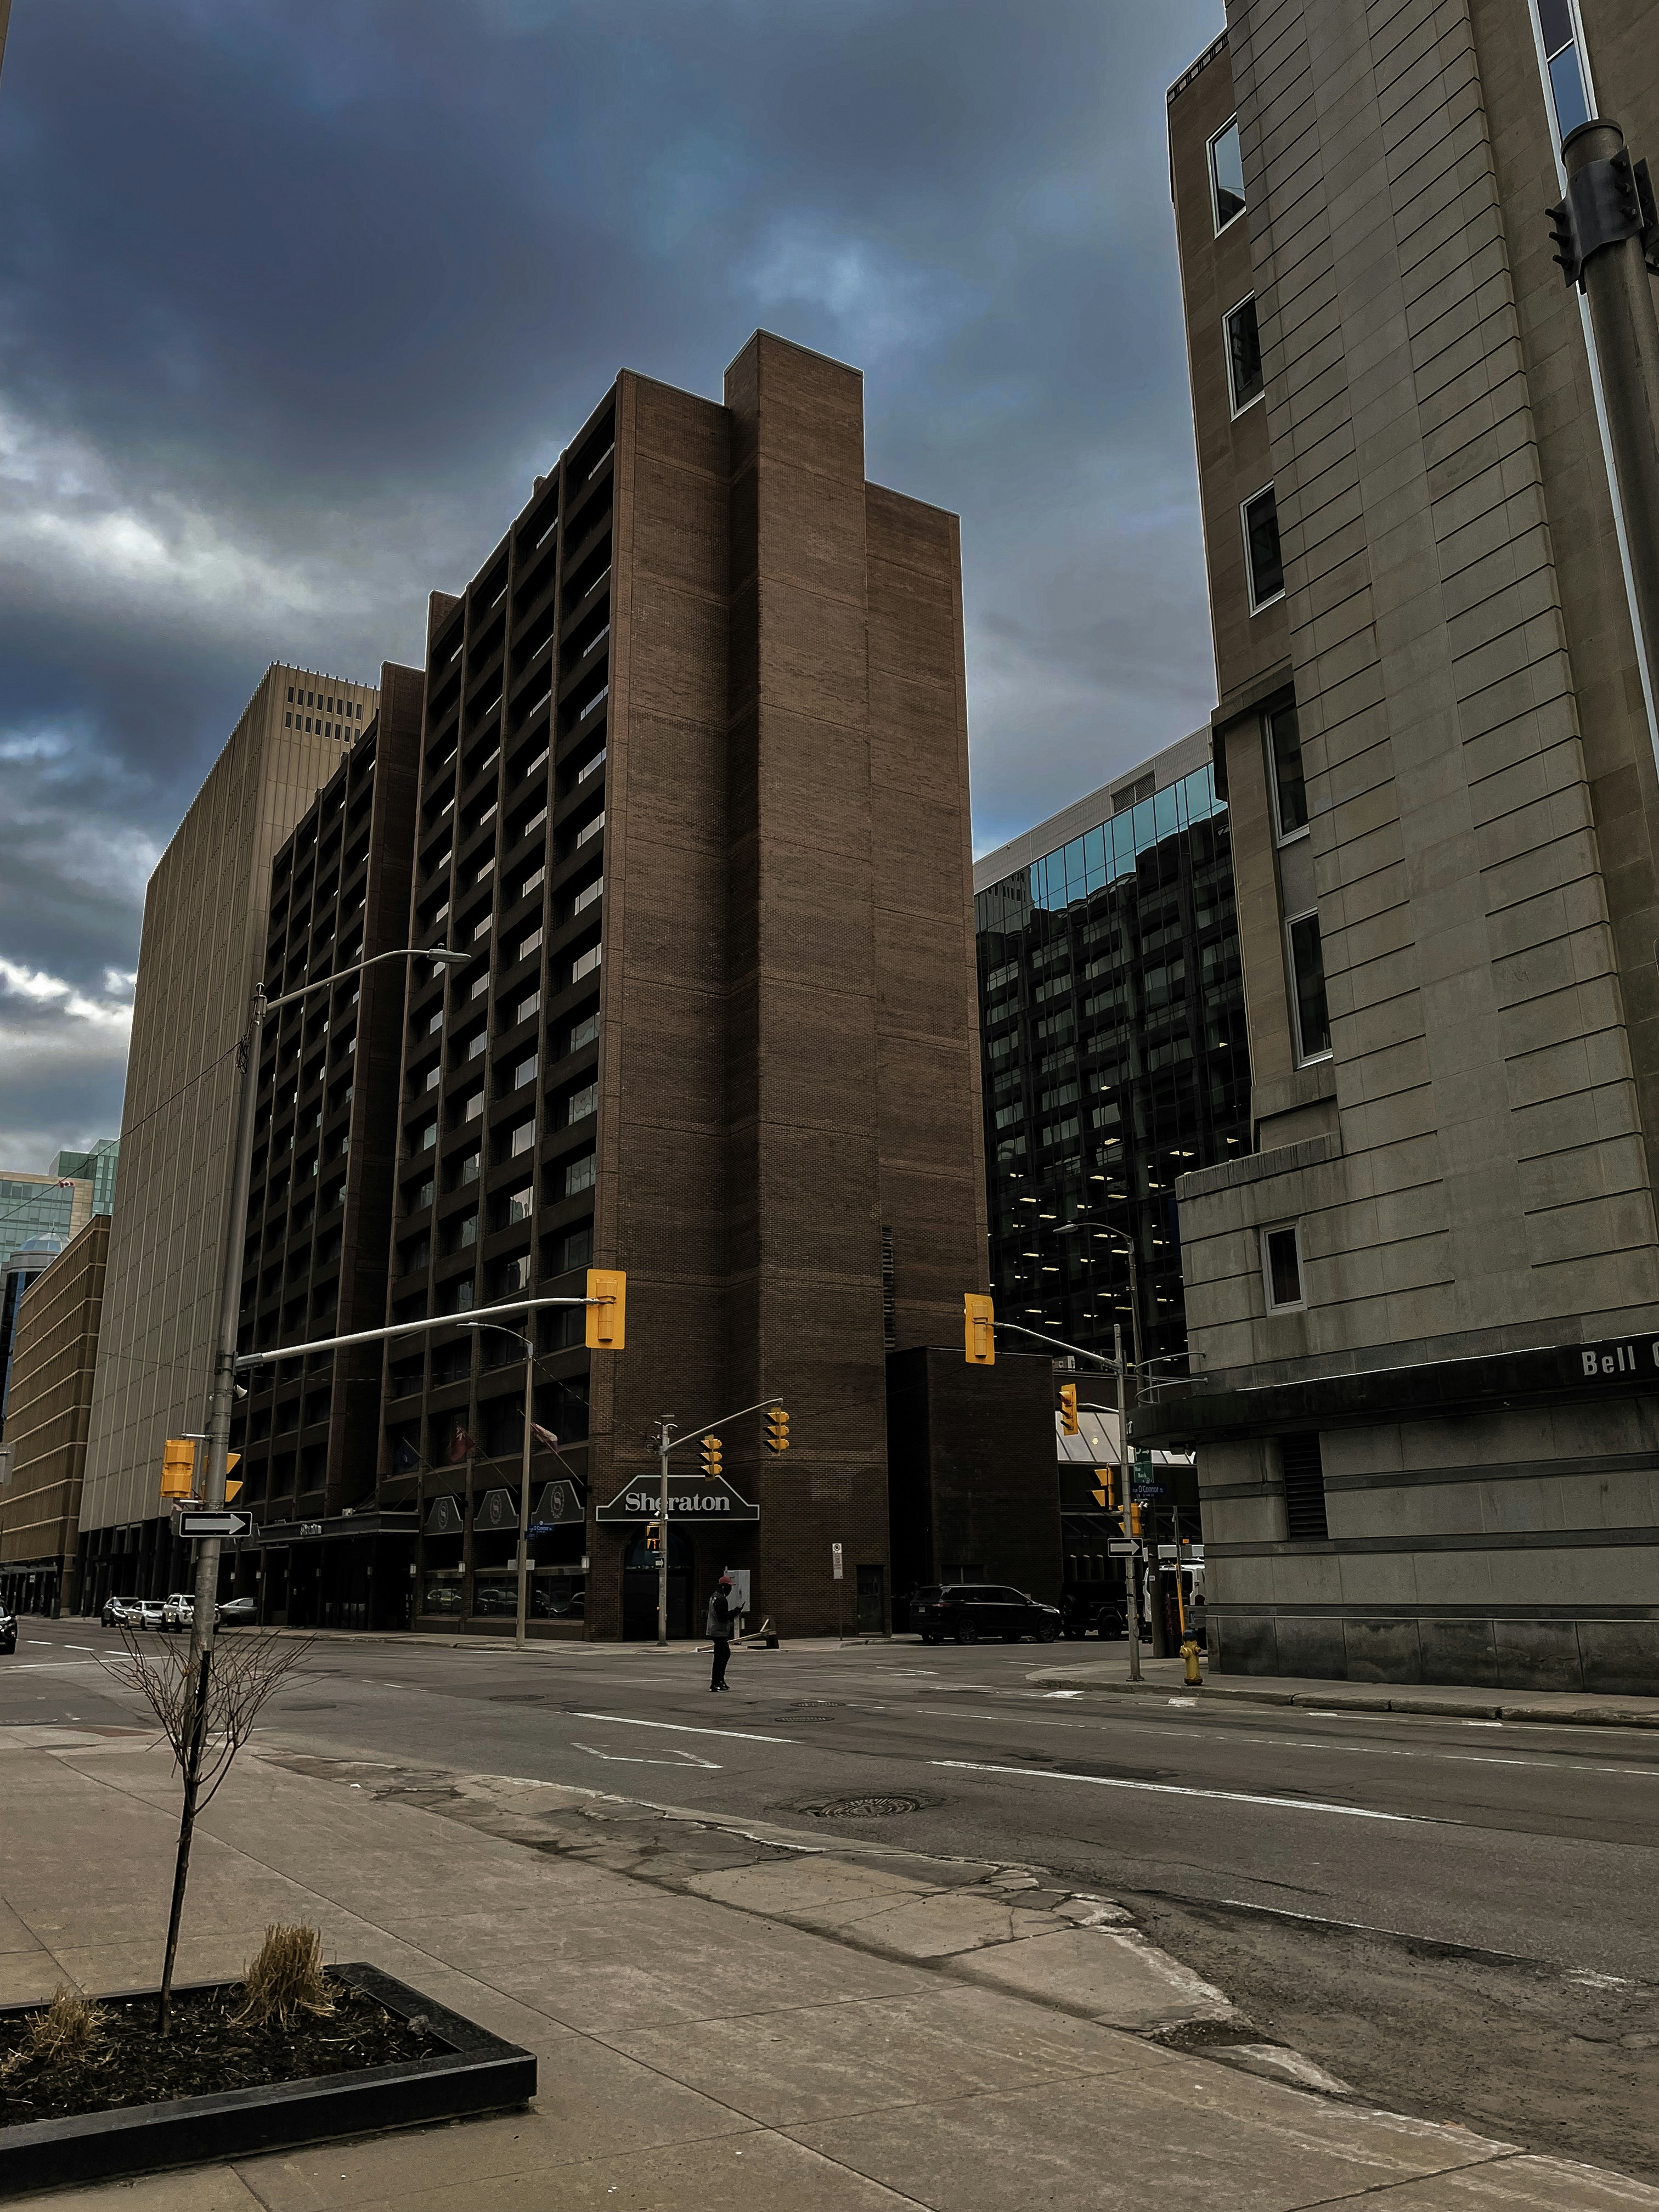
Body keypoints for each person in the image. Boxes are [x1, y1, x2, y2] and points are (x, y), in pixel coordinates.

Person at [707, 1573, 743, 1691]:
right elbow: (723, 1617)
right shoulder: (721, 1600)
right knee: (720, 1657)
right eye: (729, 1587)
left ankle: (720, 1681)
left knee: (725, 1655)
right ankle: (716, 1683)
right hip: (719, 1632)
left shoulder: (715, 1597)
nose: (731, 1590)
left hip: (716, 1630)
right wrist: (735, 1612)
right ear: (724, 1587)